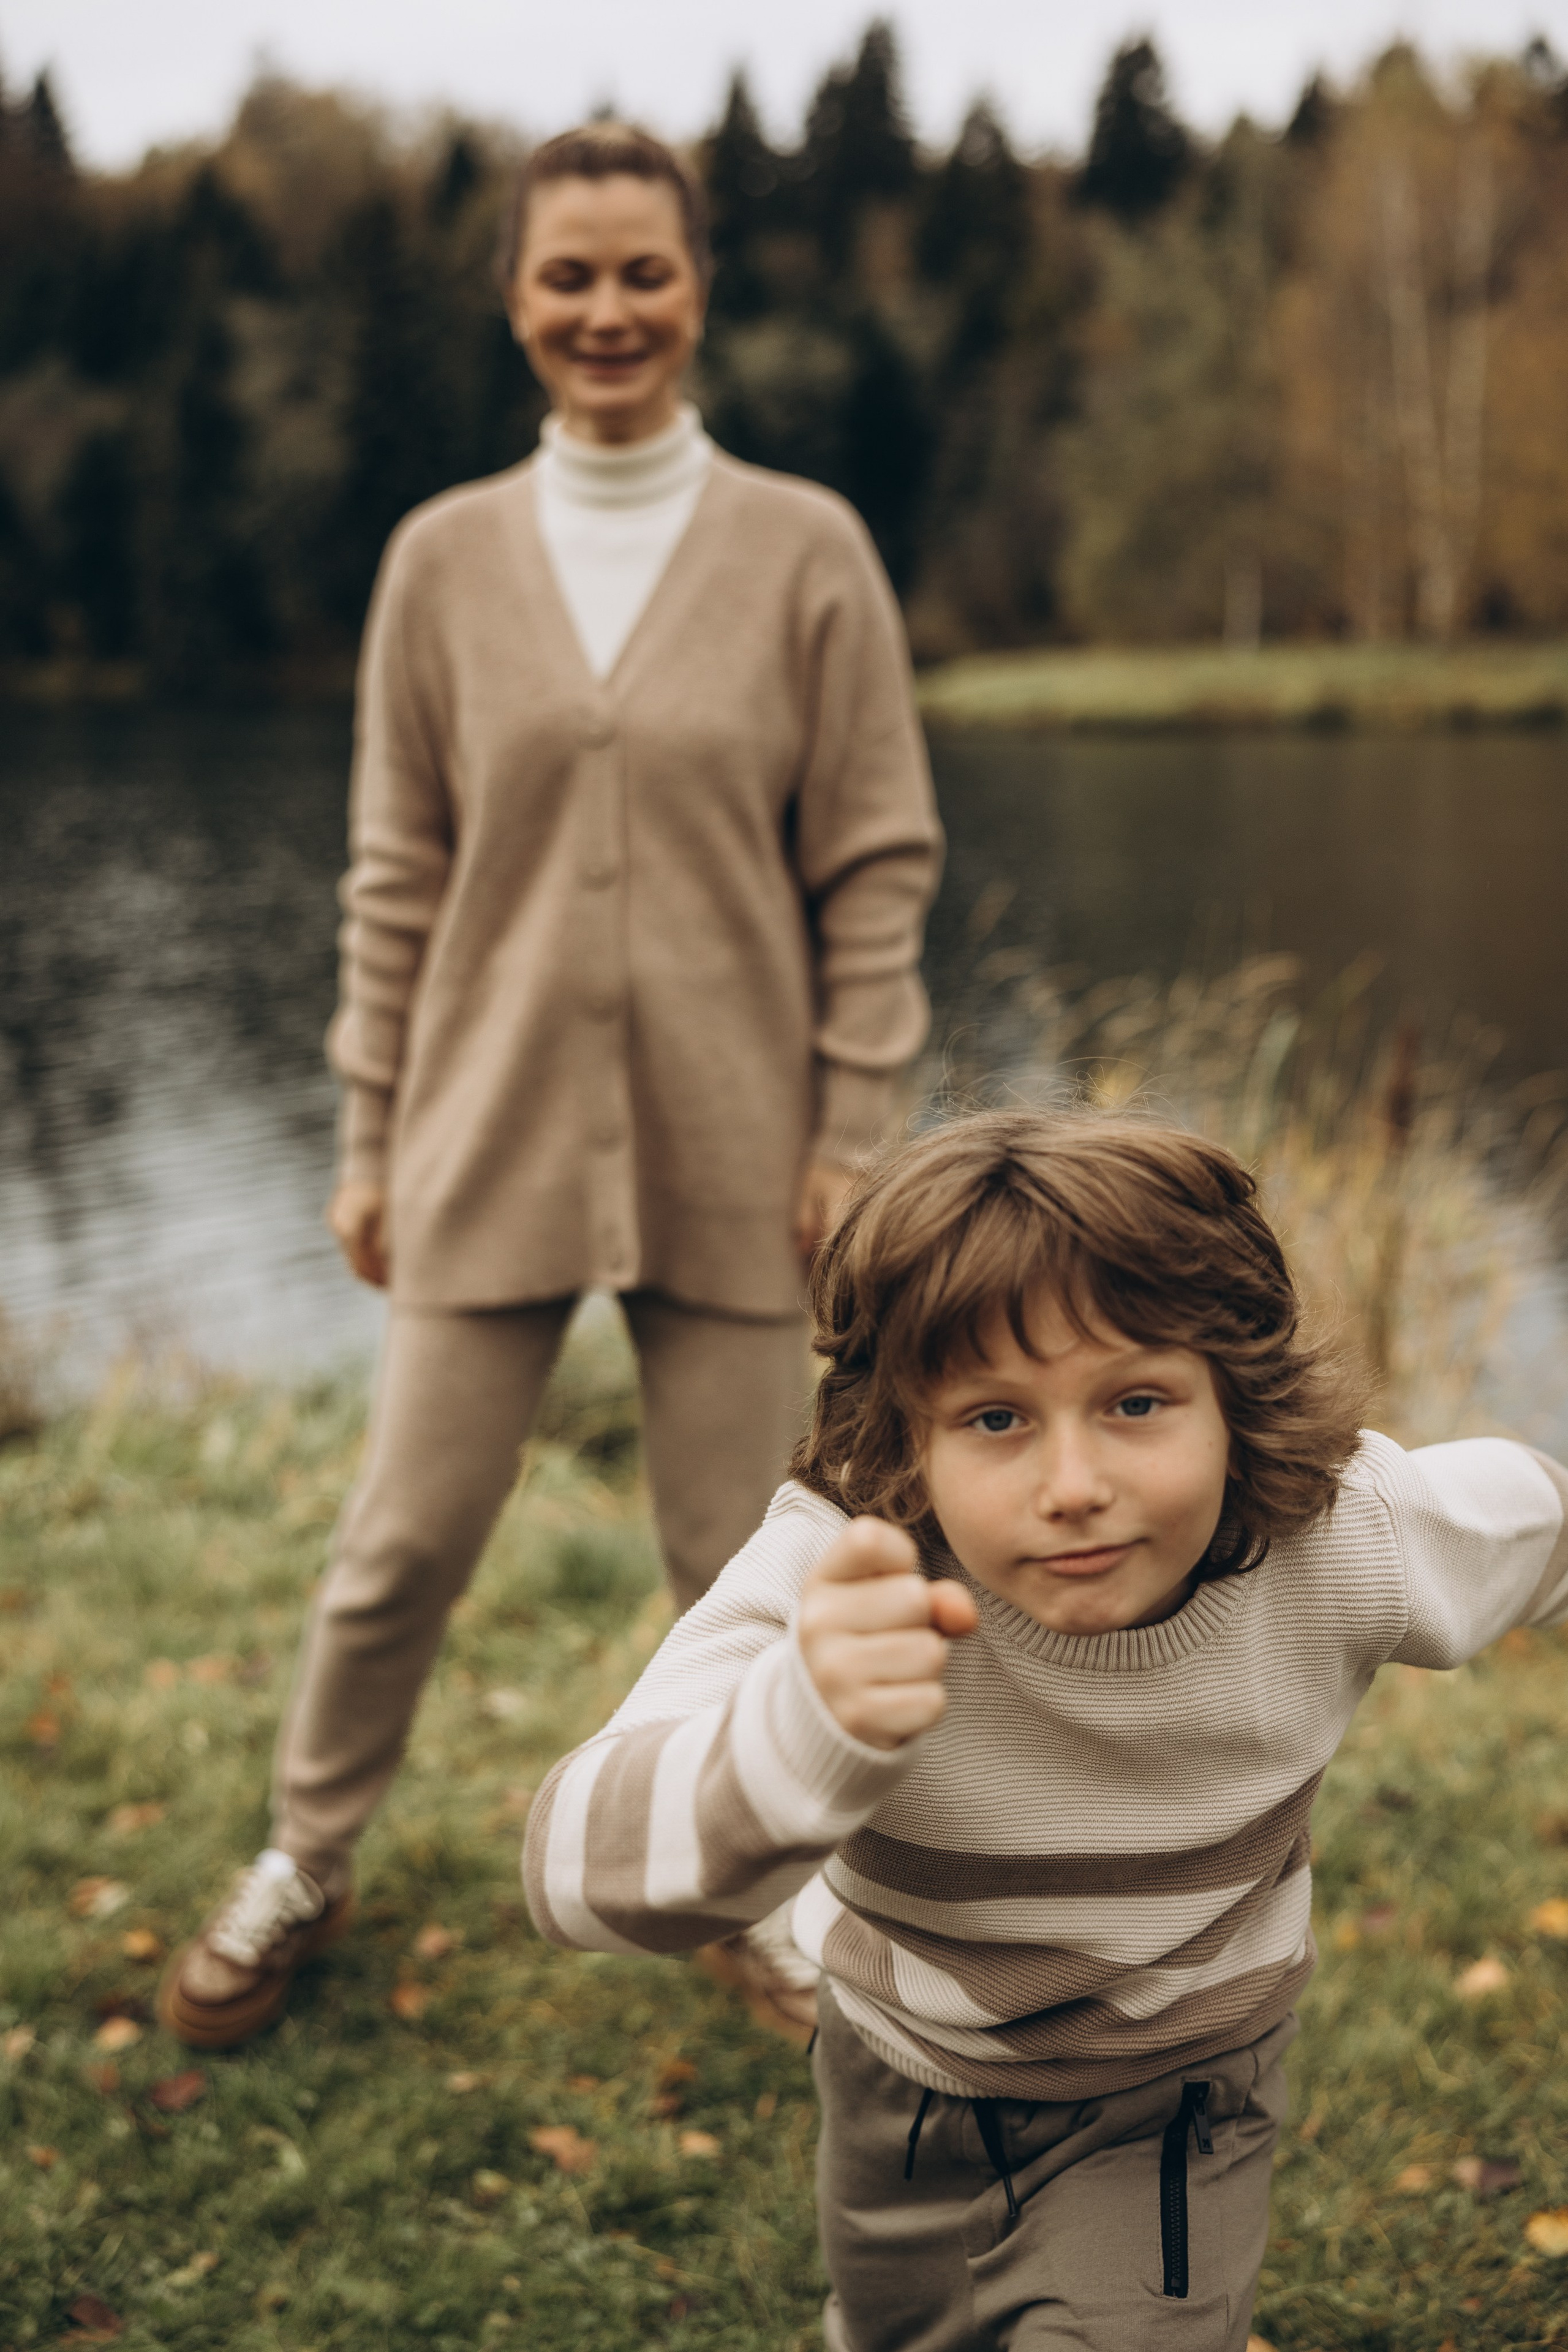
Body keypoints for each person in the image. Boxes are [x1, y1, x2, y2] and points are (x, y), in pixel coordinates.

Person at [158, 123, 941, 2051]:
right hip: (481, 1136)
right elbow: (395, 876)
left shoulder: (806, 551)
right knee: (402, 1543)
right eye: (568, 274)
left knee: (741, 1555)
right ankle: (305, 1856)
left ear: (699, 290)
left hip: (743, 1148)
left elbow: (875, 863)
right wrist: (368, 1133)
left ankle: (760, 1893)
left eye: (642, 272)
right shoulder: (440, 561)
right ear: (514, 296)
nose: (607, 310)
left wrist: (849, 1126)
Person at [521, 1109, 1568, 2351]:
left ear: (1236, 1399)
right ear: (905, 1433)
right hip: (892, 2085)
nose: (1072, 1486)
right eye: (995, 1420)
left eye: (1136, 1401)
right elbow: (570, 1878)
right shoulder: (845, 1577)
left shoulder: (1350, 1538)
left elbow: (1542, 1526)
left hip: (1167, 2108)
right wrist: (796, 1737)